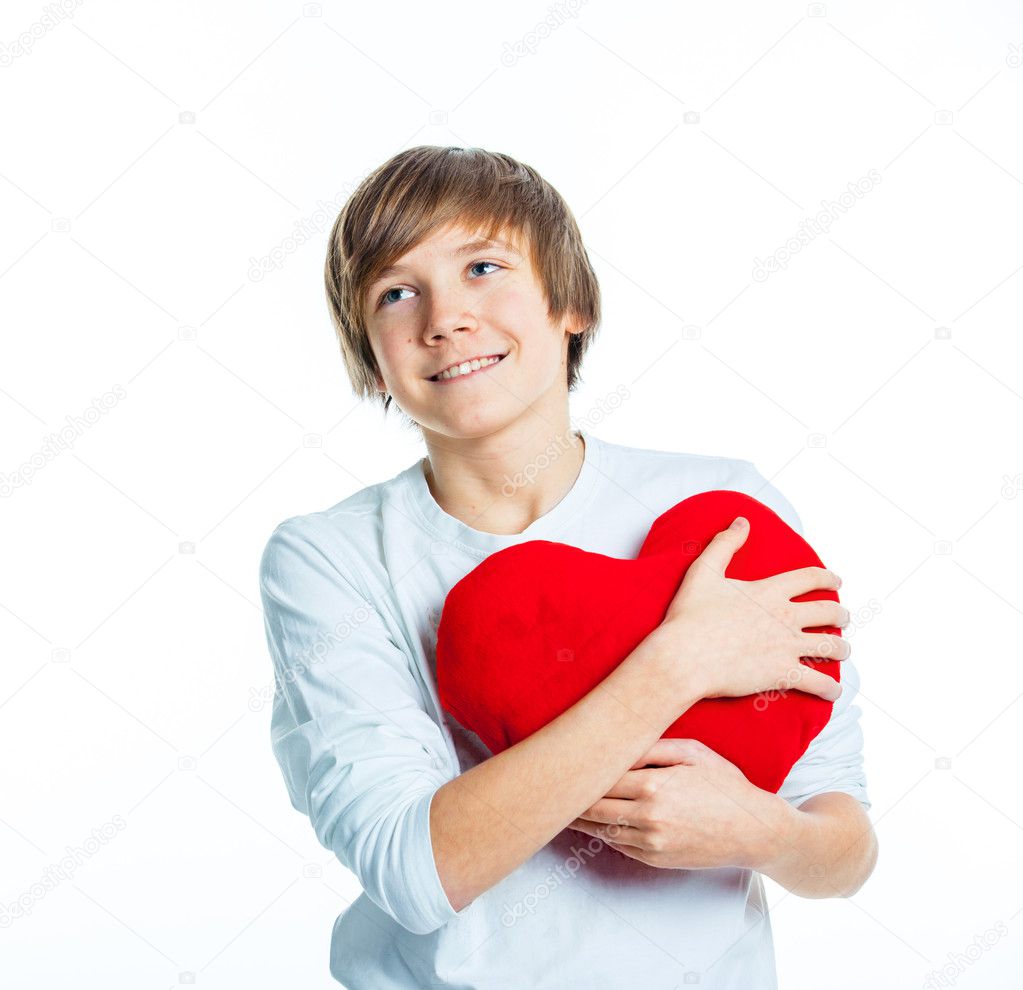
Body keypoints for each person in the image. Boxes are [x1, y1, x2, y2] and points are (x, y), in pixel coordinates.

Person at [258, 145, 877, 989]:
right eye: (396, 292)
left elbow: (841, 840)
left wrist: (762, 834)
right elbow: (414, 871)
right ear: (371, 356)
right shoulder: (328, 558)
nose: (444, 317)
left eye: (483, 266)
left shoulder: (729, 510)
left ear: (570, 305)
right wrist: (680, 660)